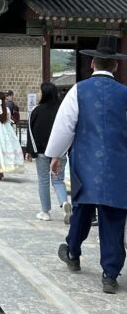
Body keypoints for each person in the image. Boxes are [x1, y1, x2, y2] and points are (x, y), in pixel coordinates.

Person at [47, 36, 127, 294]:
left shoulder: (78, 91)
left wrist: (56, 154)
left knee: (82, 208)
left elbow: (65, 125)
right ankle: (110, 274)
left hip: (85, 161)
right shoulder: (125, 94)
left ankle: (73, 252)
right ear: (115, 66)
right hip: (118, 164)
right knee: (113, 215)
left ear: (92, 63)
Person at [25, 83, 71, 222]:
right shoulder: (62, 110)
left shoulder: (36, 110)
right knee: (58, 180)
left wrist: (30, 150)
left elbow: (31, 131)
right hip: (59, 152)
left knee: (43, 180)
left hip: (41, 152)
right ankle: (64, 203)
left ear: (44, 93)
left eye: (40, 91)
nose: (38, 94)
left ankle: (45, 212)